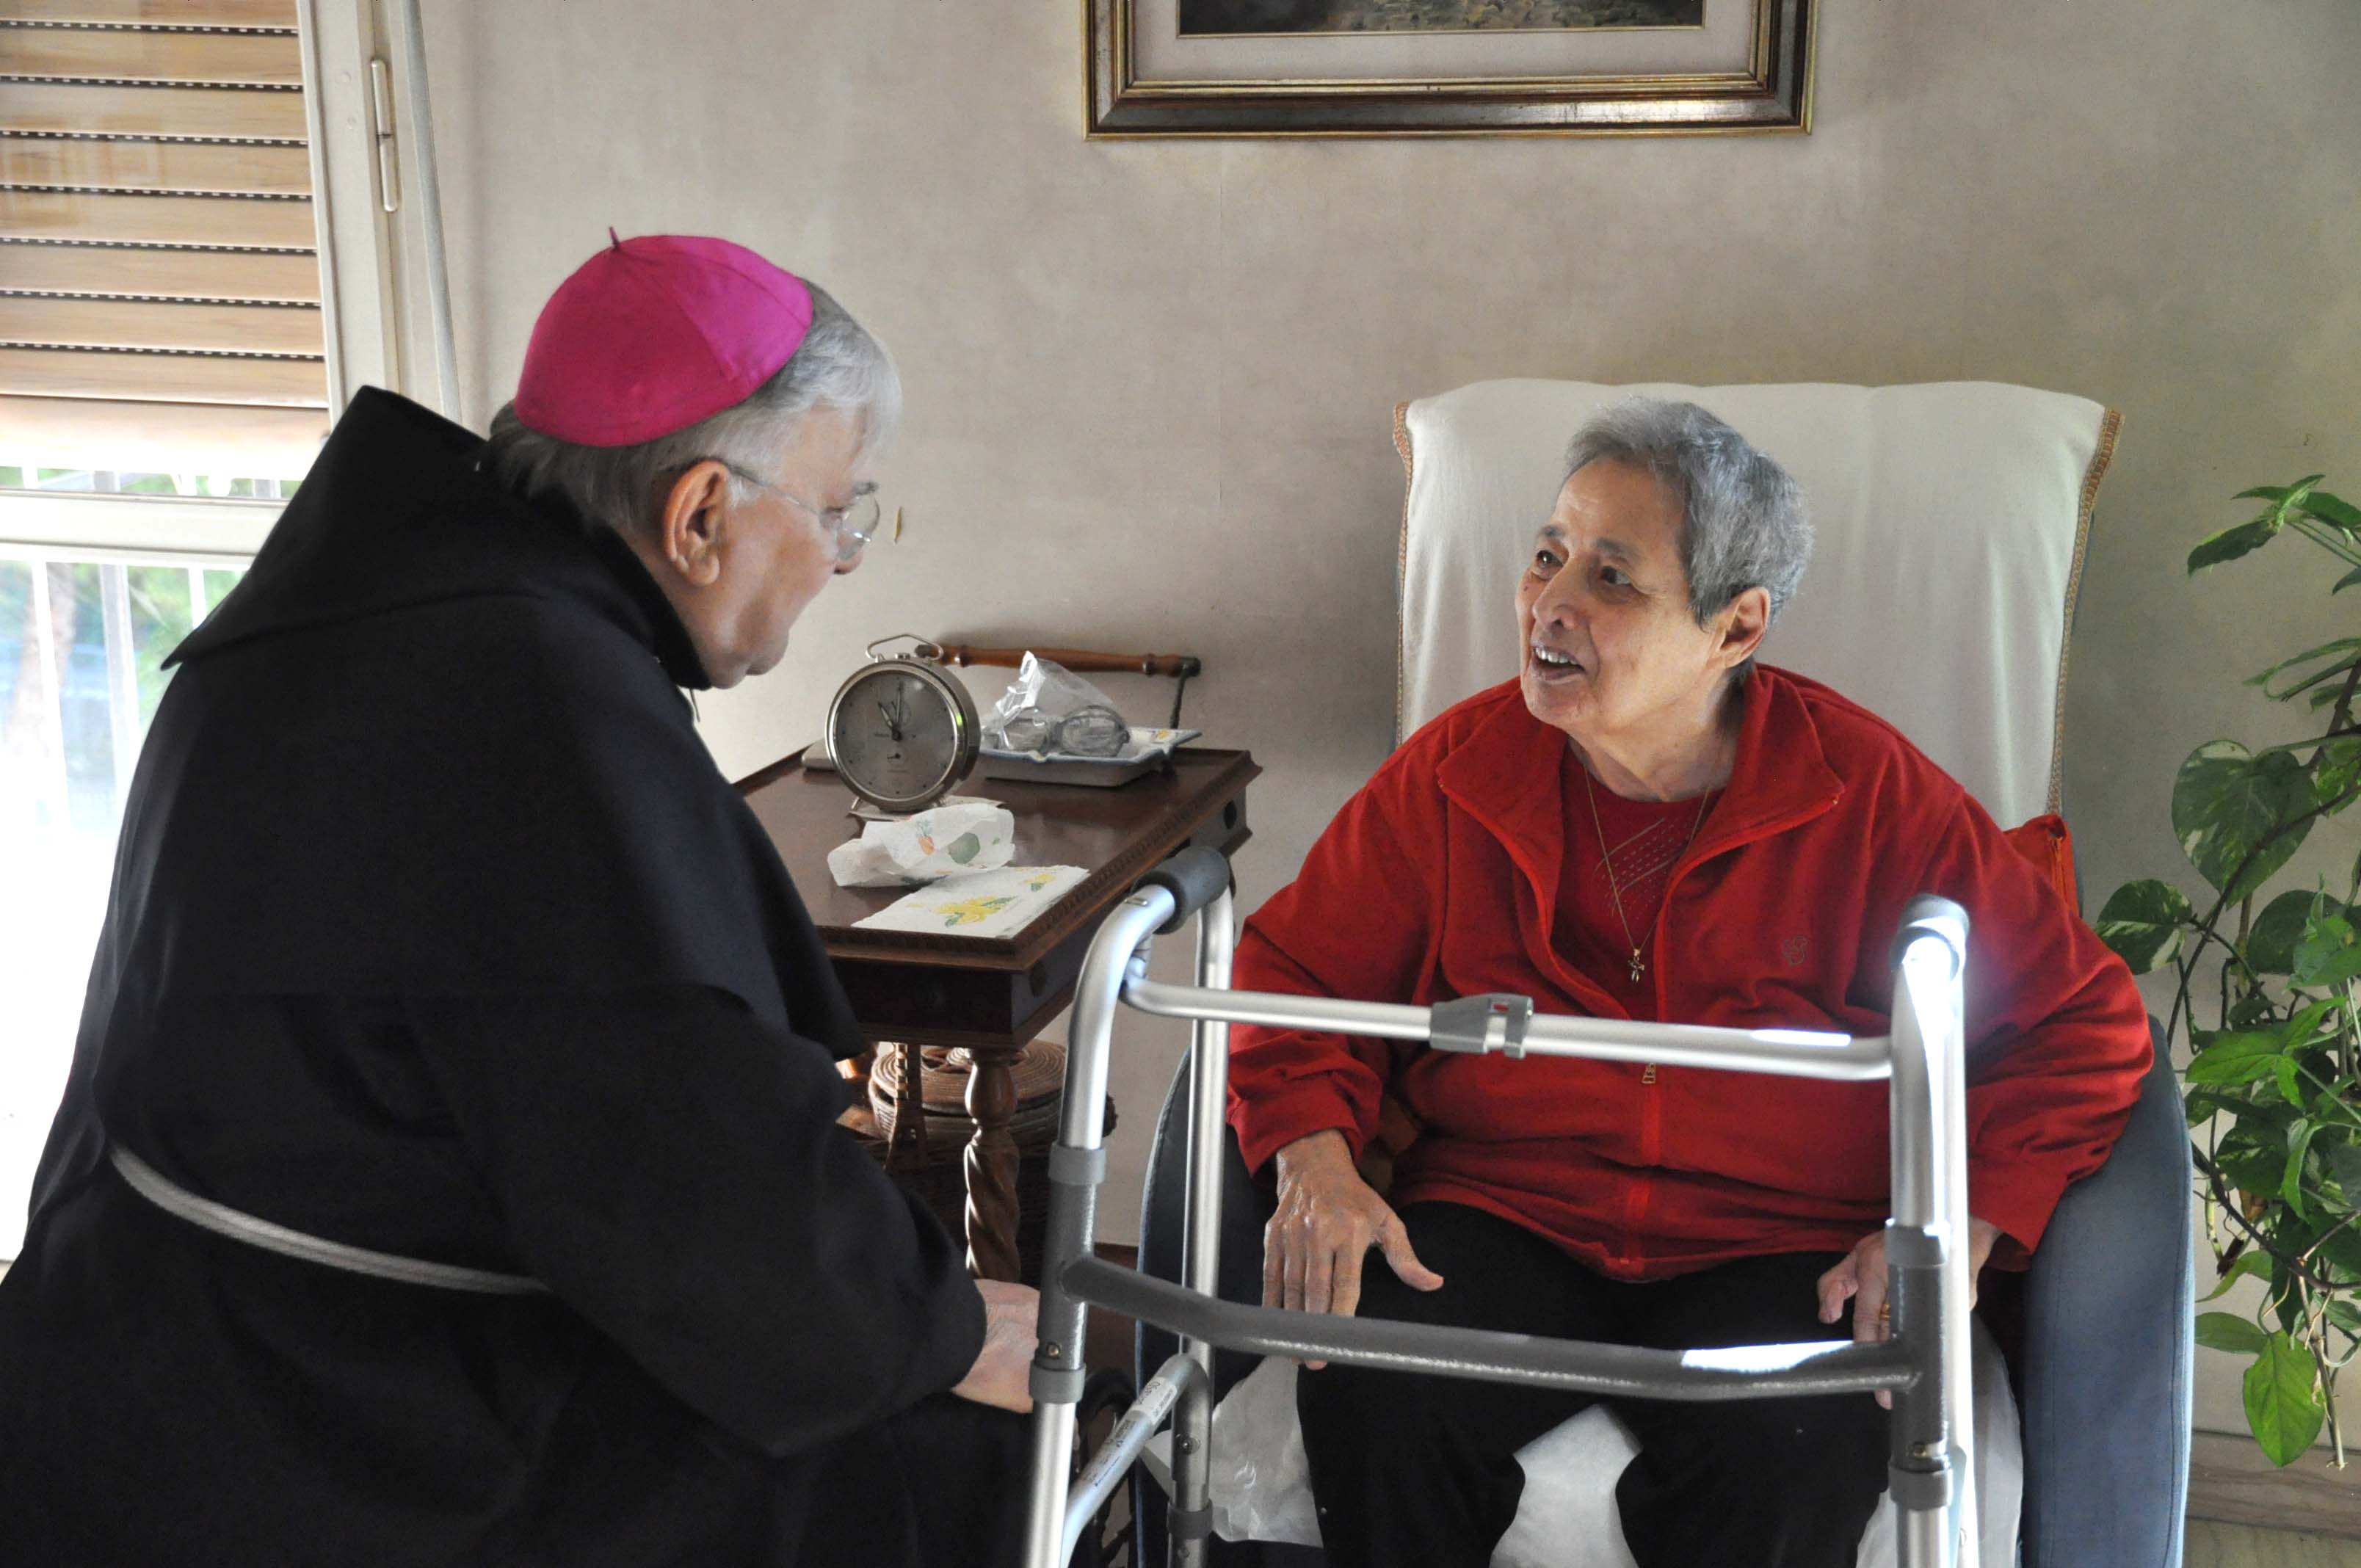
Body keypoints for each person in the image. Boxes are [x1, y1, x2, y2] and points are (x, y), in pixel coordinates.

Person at [0, 233, 1034, 1567]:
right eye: (841, 510)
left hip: (168, 1328)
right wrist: (936, 1328)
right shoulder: (533, 705)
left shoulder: (371, 593)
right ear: (700, 516)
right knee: (946, 1455)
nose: (844, 556)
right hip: (314, 1422)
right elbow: (684, 1181)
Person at [1227, 398, 2153, 1568]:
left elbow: (2085, 1026)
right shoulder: (1457, 773)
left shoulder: (1868, 794)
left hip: (1781, 1241)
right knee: (1377, 1391)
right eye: (1548, 557)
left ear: (1736, 626)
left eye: (1612, 578)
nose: (1551, 604)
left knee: (1797, 1448)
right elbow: (1296, 974)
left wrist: (1948, 1235)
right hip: (1511, 1207)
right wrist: (1315, 1165)